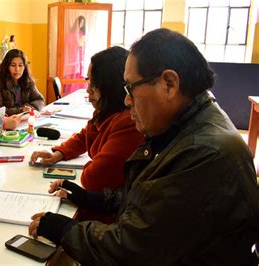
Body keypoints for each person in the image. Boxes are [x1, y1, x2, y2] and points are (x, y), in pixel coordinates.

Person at [29, 28, 259, 264]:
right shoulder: (186, 126)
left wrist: (66, 230)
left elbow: (132, 251)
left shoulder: (204, 154)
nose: (127, 100)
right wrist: (93, 199)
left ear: (169, 84)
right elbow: (150, 201)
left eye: (130, 88)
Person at [29, 47, 143, 222]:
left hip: (112, 215)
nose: (88, 91)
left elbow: (93, 179)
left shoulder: (128, 121)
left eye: (94, 84)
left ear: (110, 86)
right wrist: (59, 153)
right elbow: (86, 136)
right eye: (88, 81)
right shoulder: (107, 111)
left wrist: (91, 164)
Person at [0, 49, 45, 116]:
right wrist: (21, 110)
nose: (17, 69)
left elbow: (39, 100)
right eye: (13, 65)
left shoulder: (28, 81)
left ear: (25, 67)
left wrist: (29, 108)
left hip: (26, 119)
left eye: (20, 65)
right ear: (7, 66)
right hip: (7, 122)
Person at [63, 15, 86, 95]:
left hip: (80, 56)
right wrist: (77, 43)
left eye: (83, 23)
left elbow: (83, 45)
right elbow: (69, 44)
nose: (81, 24)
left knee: (80, 73)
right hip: (73, 56)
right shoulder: (71, 34)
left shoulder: (82, 34)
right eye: (80, 22)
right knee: (73, 73)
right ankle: (71, 91)